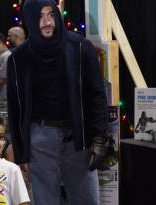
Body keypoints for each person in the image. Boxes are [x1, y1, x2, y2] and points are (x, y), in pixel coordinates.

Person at [6, 0, 108, 204]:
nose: (47, 22)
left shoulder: (80, 47)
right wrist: (20, 152)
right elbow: (15, 106)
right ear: (31, 20)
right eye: (40, 16)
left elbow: (96, 95)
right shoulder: (19, 57)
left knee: (86, 199)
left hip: (78, 138)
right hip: (39, 139)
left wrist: (99, 137)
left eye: (51, 15)